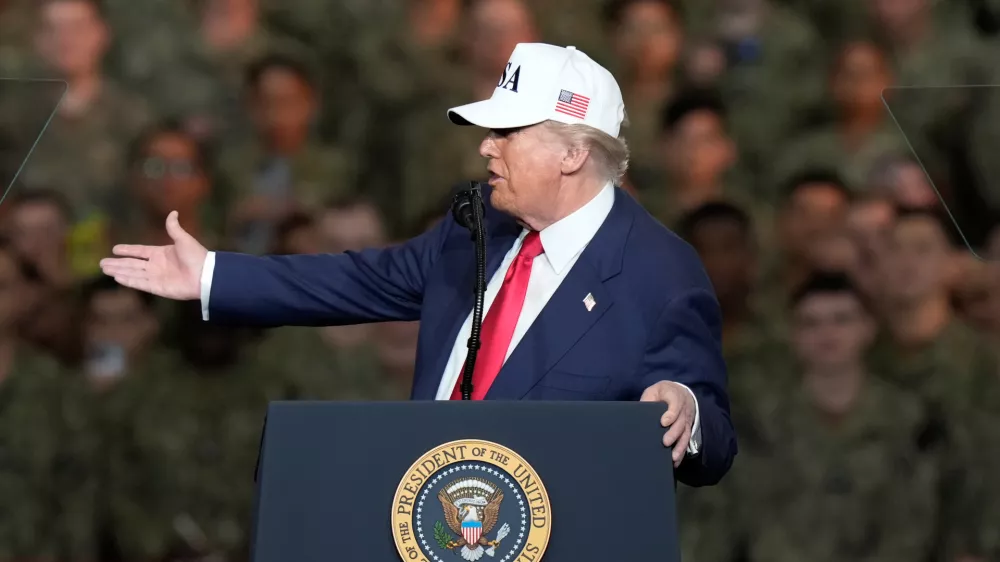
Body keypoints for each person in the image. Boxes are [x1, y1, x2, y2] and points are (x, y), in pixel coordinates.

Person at [100, 42, 736, 486]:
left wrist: (687, 409)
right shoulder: (476, 228)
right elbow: (358, 280)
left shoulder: (661, 274)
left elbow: (713, 439)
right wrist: (213, 274)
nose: (487, 148)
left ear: (571, 155)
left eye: (507, 133)